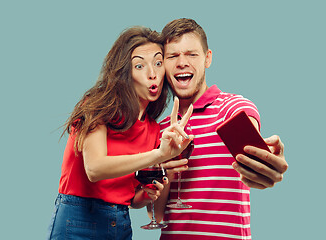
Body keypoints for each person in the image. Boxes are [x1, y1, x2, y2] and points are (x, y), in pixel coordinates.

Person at [46, 26, 194, 240]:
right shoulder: (99, 106)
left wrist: (147, 194)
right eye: (139, 65)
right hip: (78, 219)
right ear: (125, 71)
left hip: (119, 222)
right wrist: (159, 156)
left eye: (158, 63)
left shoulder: (152, 128)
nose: (152, 74)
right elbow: (95, 169)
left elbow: (133, 199)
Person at [151, 18, 289, 240]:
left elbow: (250, 134)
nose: (182, 62)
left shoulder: (231, 107)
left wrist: (266, 163)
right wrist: (165, 169)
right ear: (163, 65)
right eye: (173, 56)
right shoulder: (161, 130)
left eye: (191, 54)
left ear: (207, 59)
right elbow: (156, 216)